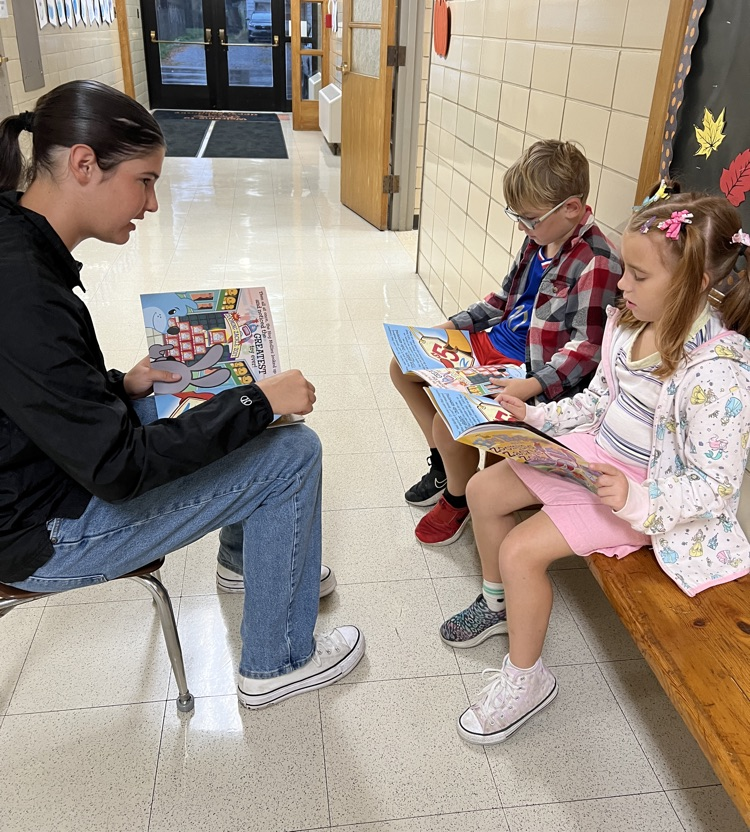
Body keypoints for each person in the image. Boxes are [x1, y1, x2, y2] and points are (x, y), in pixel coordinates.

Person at [0, 80, 364, 708]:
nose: (152, 204)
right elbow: (118, 469)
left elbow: (35, 392)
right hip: (40, 530)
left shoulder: (15, 240)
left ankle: (249, 564)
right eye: (144, 181)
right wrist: (256, 401)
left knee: (210, 397)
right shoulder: (24, 290)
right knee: (291, 450)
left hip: (33, 481)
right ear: (84, 164)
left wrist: (122, 384)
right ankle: (276, 662)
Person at [439, 191, 750, 745]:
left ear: (696, 283)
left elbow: (715, 487)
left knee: (521, 551)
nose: (622, 285)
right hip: (592, 456)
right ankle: (497, 603)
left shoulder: (717, 374)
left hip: (641, 495)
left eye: (637, 274)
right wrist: (537, 415)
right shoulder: (629, 325)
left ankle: (527, 678)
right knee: (485, 489)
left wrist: (637, 500)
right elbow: (597, 401)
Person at [389, 140, 622, 546]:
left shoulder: (598, 261)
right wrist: (450, 326)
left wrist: (531, 386)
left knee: (450, 420)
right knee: (402, 367)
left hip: (527, 372)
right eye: (518, 216)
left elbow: (588, 350)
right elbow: (504, 300)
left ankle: (458, 497)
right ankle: (447, 465)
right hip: (494, 346)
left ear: (570, 207)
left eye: (528, 218)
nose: (521, 227)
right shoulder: (539, 238)